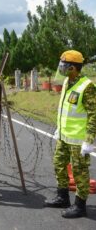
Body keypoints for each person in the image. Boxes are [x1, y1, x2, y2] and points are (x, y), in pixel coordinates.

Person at [44, 50, 96, 218]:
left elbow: (94, 114)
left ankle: (80, 205)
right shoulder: (67, 81)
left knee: (80, 172)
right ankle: (62, 197)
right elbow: (67, 108)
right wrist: (59, 127)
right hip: (64, 136)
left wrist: (89, 140)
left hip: (78, 140)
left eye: (64, 65)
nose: (61, 68)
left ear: (73, 67)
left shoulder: (87, 86)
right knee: (59, 164)